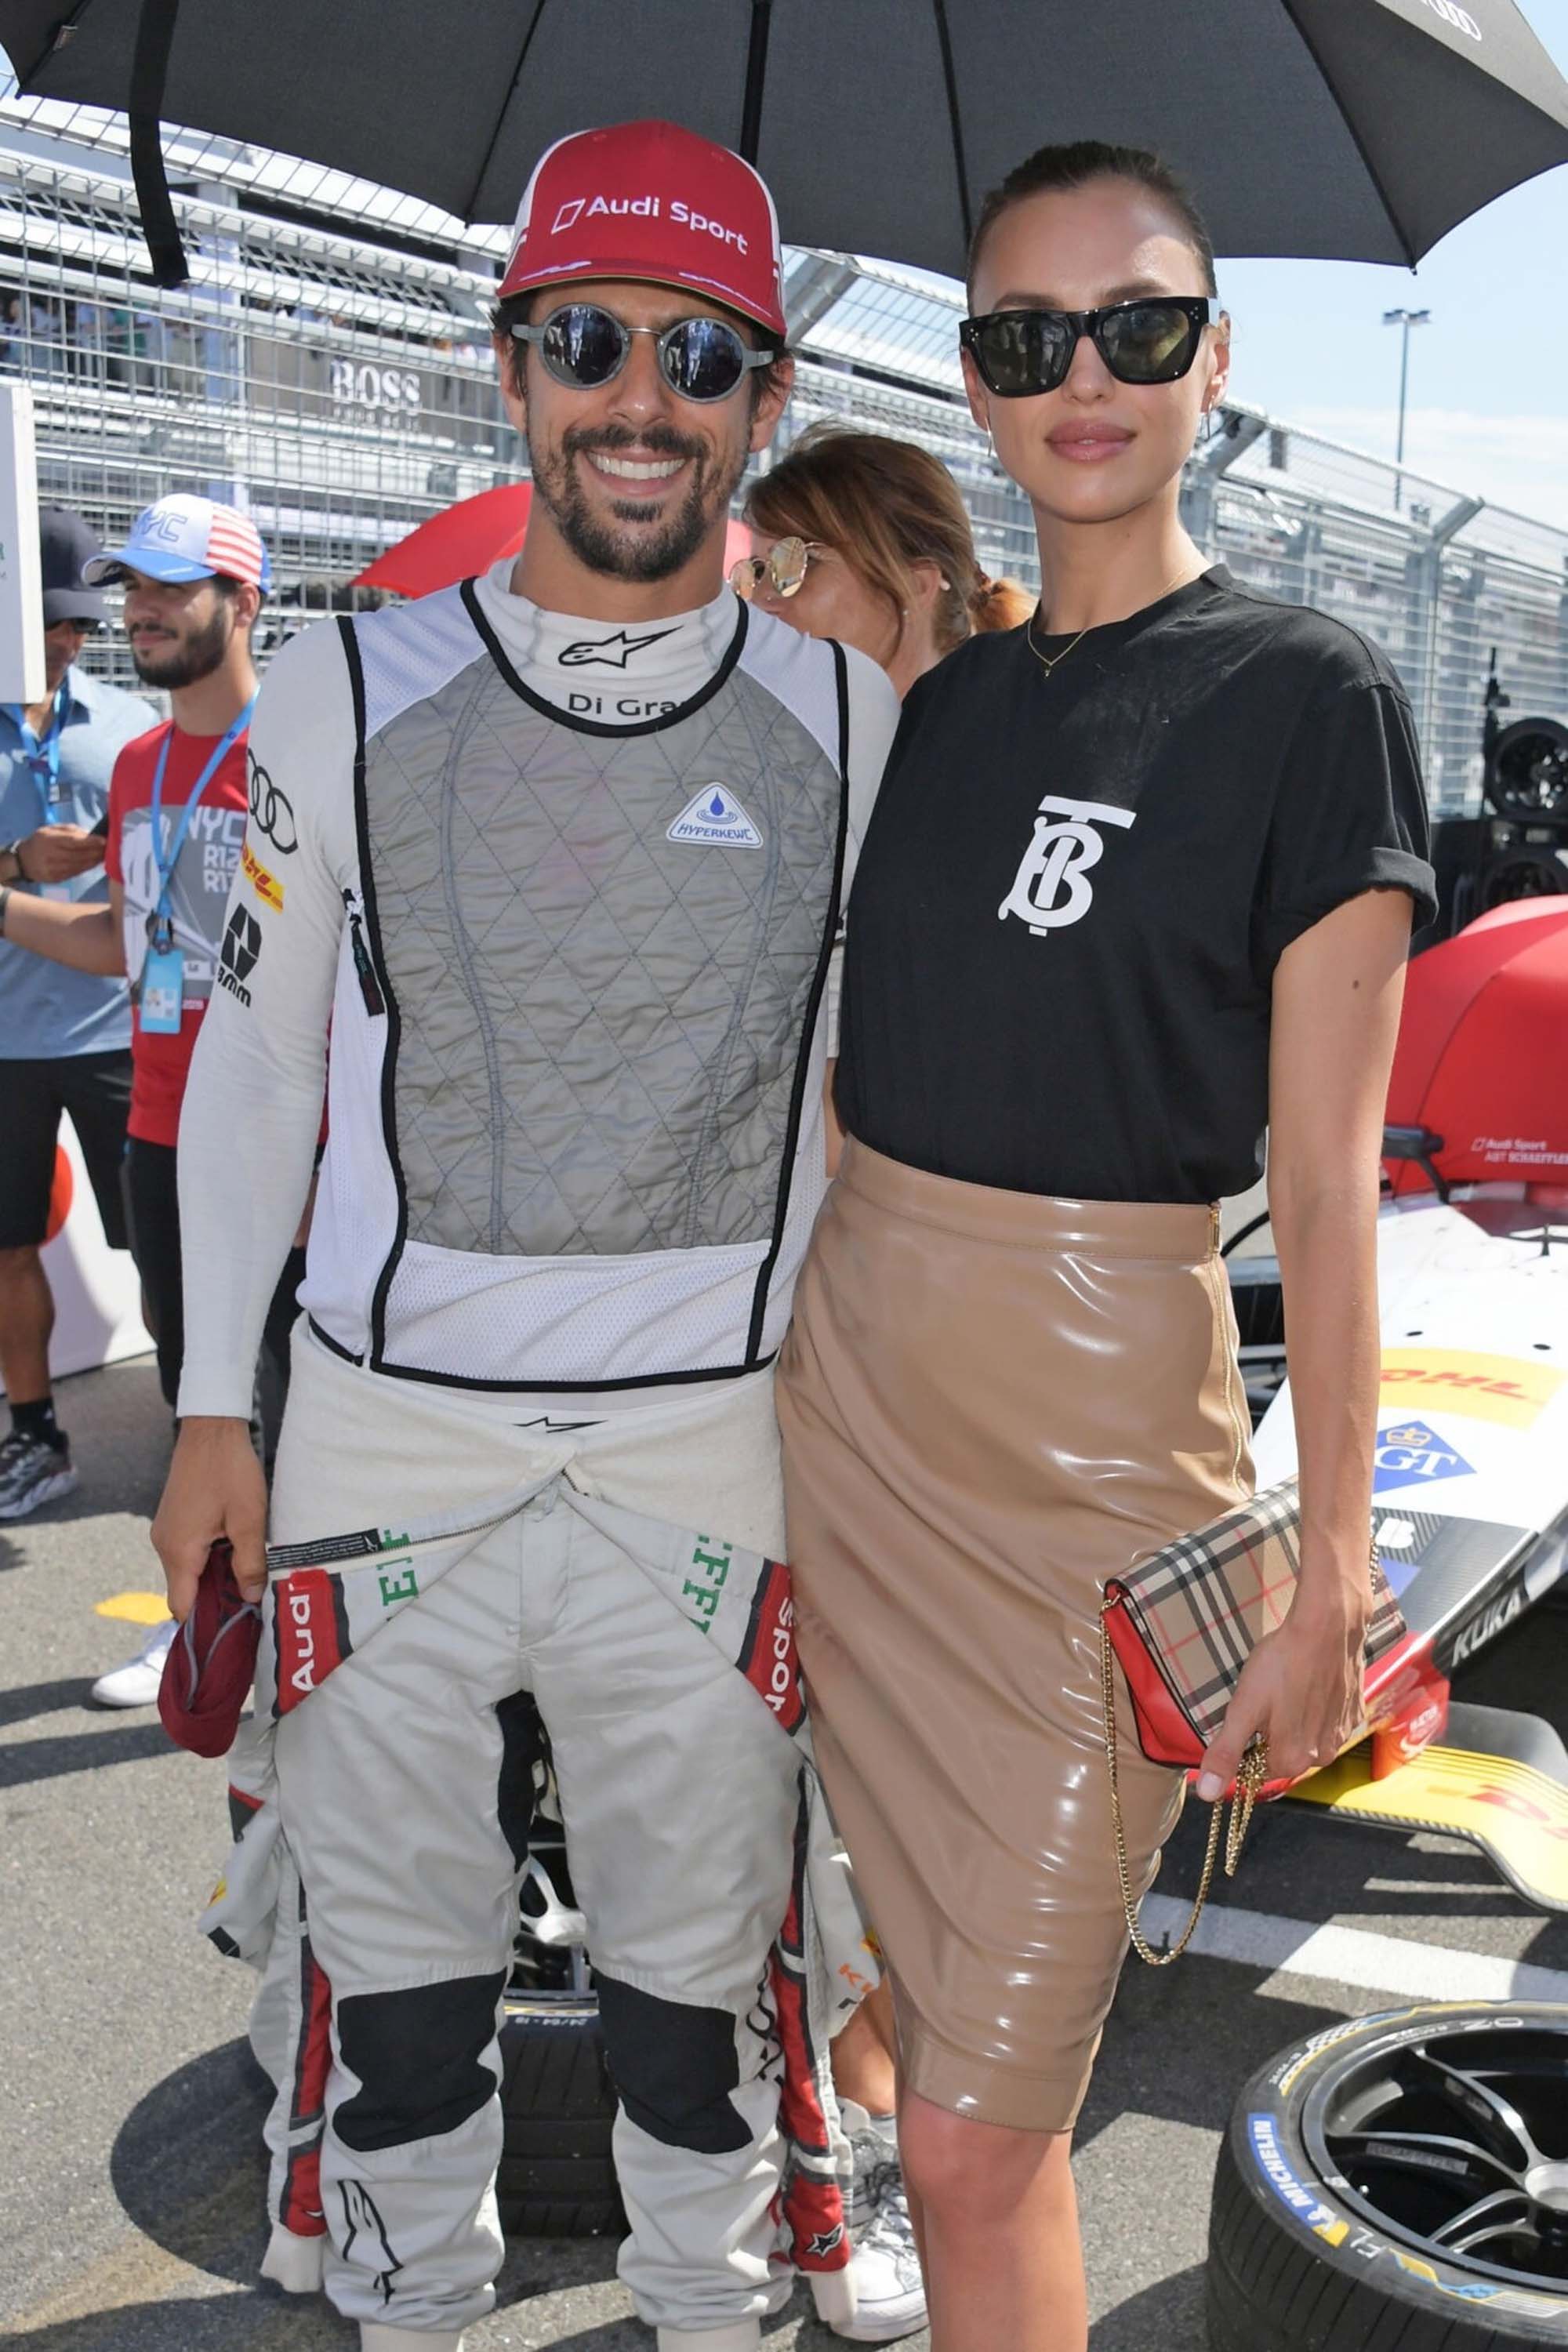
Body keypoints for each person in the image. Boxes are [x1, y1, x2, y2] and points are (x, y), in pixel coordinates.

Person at [151, 119, 902, 2352]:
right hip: (389, 1453)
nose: (638, 396)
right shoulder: (339, 688)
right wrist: (209, 1408)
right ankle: (407, 2318)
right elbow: (261, 1072)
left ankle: (717, 2316)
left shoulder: (859, 728)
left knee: (696, 2024)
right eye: (589, 341)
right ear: (513, 370)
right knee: (394, 2011)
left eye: (698, 353)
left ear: (765, 401)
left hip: (712, 1460)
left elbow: (894, 1131)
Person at [775, 140, 1438, 2352]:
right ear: (972, 380)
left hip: (1097, 1454)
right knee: (937, 2039)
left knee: (979, 2128)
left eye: (1138, 328)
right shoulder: (944, 704)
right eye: (1026, 337)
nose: (1086, 376)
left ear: (1214, 361)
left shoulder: (1306, 692)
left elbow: (1326, 1183)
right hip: (850, 1404)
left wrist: (1331, 1555)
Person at [739, 423, 1032, 2343]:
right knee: (809, 1802)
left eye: (792, 582)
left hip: (989, 1379)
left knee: (987, 1834)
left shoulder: (1026, 766)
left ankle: (860, 2105)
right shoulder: (795, 764)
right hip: (792, 1361)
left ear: (907, 566)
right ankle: (828, 2167)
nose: (758, 619)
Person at [0, 493, 303, 1704]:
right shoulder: (138, 762)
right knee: (196, 1395)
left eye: (171, 588)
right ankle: (213, 1622)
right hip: (162, 1125)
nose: (141, 609)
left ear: (244, 602)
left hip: (288, 1136)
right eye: (133, 587)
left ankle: (315, 1625)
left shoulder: (301, 751)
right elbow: (127, 941)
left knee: (296, 1399)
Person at [0, 506, 154, 1523]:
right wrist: (17, 866)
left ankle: (202, 1425)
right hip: (6, 1048)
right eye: (51, 619)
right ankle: (38, 1436)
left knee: (161, 1248)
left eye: (81, 621)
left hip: (119, 1035)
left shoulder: (133, 727)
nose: (70, 637)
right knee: (8, 1250)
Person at [741, 423, 1032, 693]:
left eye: (799, 560)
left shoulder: (993, 741)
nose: (760, 599)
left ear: (917, 585)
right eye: (757, 572)